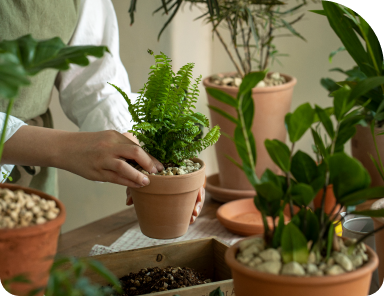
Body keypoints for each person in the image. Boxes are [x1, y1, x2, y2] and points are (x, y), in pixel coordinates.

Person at [0, 0, 204, 224]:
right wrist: (64, 147)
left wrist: (143, 152)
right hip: (36, 156)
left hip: (28, 197)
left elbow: (96, 84)